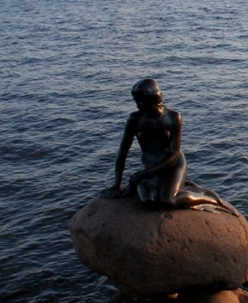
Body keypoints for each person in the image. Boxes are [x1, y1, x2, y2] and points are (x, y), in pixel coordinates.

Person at [100, 79, 236, 213]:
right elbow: (122, 152)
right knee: (149, 201)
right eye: (136, 100)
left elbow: (174, 155)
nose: (138, 105)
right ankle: (152, 185)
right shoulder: (134, 119)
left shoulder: (173, 117)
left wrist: (145, 173)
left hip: (172, 164)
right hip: (151, 164)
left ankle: (209, 199)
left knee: (169, 200)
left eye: (141, 100)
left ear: (154, 98)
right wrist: (116, 185)